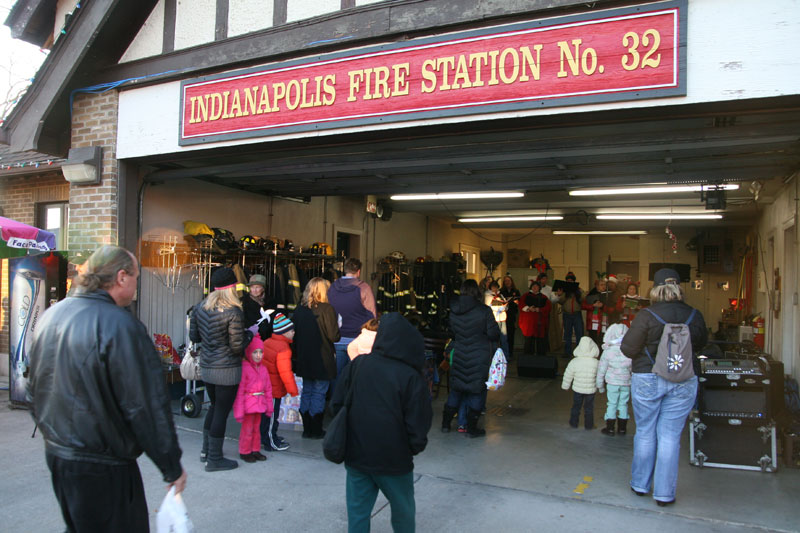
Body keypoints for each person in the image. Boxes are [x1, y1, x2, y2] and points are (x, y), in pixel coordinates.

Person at [27, 245, 186, 532]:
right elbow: (146, 406)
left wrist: (52, 432)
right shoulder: (122, 326)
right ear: (122, 277)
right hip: (103, 466)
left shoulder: (52, 315)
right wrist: (171, 466)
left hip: (60, 455)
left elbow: (33, 385)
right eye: (137, 277)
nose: (137, 285)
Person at [331, 313, 433, 533]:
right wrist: (413, 447)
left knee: (358, 513)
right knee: (403, 511)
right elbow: (419, 421)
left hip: (357, 454)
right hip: (394, 460)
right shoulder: (410, 376)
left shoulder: (359, 364)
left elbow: (337, 403)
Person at [621, 268, 707, 507]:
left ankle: (640, 485)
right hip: (684, 379)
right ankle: (664, 494)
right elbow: (702, 344)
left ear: (656, 289)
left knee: (646, 431)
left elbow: (628, 349)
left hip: (648, 377)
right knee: (669, 436)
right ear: (679, 288)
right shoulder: (694, 315)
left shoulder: (646, 315)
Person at [190, 267, 247, 471]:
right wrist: (247, 337)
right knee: (221, 412)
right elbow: (236, 347)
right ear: (231, 287)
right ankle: (215, 459)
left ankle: (206, 452)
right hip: (227, 370)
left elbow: (194, 337)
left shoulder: (199, 308)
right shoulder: (234, 312)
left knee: (214, 407)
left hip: (207, 367)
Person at [442, 279, 500, 438]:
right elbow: (493, 334)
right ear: (477, 292)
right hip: (479, 355)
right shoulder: (484, 311)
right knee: (476, 391)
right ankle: (472, 428)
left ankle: (446, 424)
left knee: (456, 389)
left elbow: (452, 333)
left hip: (460, 352)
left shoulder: (454, 310)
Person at [294, 277, 341, 438]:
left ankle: (307, 428)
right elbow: (334, 336)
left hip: (304, 357)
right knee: (319, 393)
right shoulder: (327, 309)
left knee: (307, 391)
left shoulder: (299, 309)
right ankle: (316, 428)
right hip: (322, 357)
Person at [328, 258, 377, 392]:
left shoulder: (332, 287)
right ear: (359, 271)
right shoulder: (364, 288)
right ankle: (353, 407)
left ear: (345, 270)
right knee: (356, 376)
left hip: (337, 338)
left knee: (336, 376)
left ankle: (335, 406)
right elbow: (372, 315)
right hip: (357, 340)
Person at [262, 312, 299, 451]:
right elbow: (286, 373)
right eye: (291, 330)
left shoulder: (267, 342)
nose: (294, 332)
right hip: (274, 389)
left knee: (265, 416)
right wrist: (293, 390)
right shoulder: (283, 348)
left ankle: (265, 436)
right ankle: (271, 441)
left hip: (265, 387)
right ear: (284, 333)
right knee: (272, 416)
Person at [233, 336, 272, 463]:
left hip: (259, 404)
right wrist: (238, 411)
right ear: (249, 353)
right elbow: (240, 391)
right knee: (247, 430)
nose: (258, 355)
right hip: (248, 406)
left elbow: (268, 389)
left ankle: (255, 449)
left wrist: (269, 407)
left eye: (261, 352)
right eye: (255, 352)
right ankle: (245, 451)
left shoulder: (264, 369)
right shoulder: (244, 369)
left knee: (257, 429)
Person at [596, 323, 632, 436]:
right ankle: (622, 429)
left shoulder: (607, 351)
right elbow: (633, 369)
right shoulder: (629, 351)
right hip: (626, 382)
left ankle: (610, 429)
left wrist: (600, 385)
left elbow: (601, 369)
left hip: (612, 383)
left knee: (612, 404)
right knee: (623, 404)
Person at [561, 336, 600, 429]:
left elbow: (568, 374)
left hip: (577, 390)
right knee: (589, 408)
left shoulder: (574, 361)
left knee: (576, 406)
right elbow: (600, 376)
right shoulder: (596, 363)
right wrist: (600, 387)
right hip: (590, 391)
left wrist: (565, 386)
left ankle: (573, 423)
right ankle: (589, 425)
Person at [518, 281, 552, 356]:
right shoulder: (525, 296)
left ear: (539, 288)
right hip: (528, 323)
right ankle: (528, 357)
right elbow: (521, 304)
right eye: (533, 286)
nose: (535, 288)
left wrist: (539, 310)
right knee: (529, 340)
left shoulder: (543, 297)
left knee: (540, 341)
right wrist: (528, 308)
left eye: (536, 286)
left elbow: (548, 307)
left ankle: (541, 357)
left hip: (540, 323)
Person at [556, 272, 583, 358]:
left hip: (577, 314)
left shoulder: (579, 290)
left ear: (574, 281)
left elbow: (583, 299)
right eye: (568, 281)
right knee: (567, 334)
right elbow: (560, 301)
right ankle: (567, 352)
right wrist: (562, 294)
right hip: (567, 314)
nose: (569, 282)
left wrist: (578, 292)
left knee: (579, 334)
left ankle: (580, 352)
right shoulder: (564, 291)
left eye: (571, 281)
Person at [486, 281, 510, 358]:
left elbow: (505, 306)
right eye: (493, 287)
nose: (495, 289)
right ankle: (494, 357)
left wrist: (504, 306)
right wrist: (502, 306)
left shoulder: (500, 295)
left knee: (504, 339)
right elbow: (491, 306)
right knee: (495, 339)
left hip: (502, 318)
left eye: (496, 287)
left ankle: (505, 356)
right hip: (494, 319)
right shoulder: (487, 295)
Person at [583, 278, 610, 345]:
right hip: (592, 322)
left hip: (604, 322)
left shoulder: (608, 295)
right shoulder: (590, 295)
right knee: (593, 341)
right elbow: (583, 306)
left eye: (604, 285)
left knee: (603, 340)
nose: (603, 286)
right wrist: (593, 305)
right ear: (597, 286)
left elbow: (612, 309)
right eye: (601, 285)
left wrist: (603, 306)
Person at [500, 275, 521, 357]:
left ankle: (510, 352)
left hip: (512, 314)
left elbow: (519, 302)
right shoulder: (501, 291)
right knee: (503, 335)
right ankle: (503, 353)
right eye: (506, 281)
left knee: (511, 334)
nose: (507, 282)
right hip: (503, 314)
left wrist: (516, 301)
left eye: (509, 281)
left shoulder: (515, 291)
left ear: (511, 282)